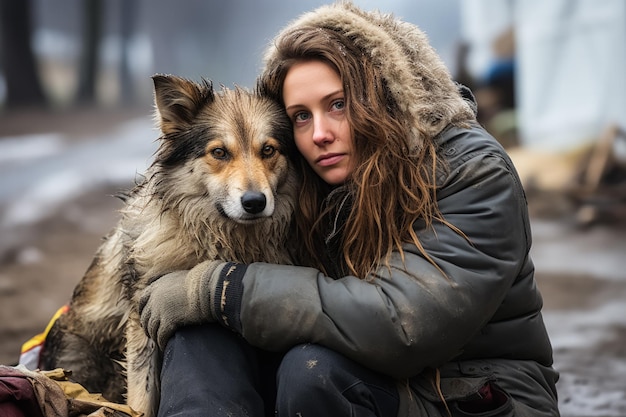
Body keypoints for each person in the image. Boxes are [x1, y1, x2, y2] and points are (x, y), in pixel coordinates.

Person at [139, 2, 560, 416]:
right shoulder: (309, 177)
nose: (319, 133)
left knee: (313, 371)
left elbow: (402, 326)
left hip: (470, 396)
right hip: (360, 378)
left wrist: (219, 289)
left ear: (385, 94)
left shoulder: (473, 171)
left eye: (337, 104)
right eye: (301, 116)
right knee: (201, 339)